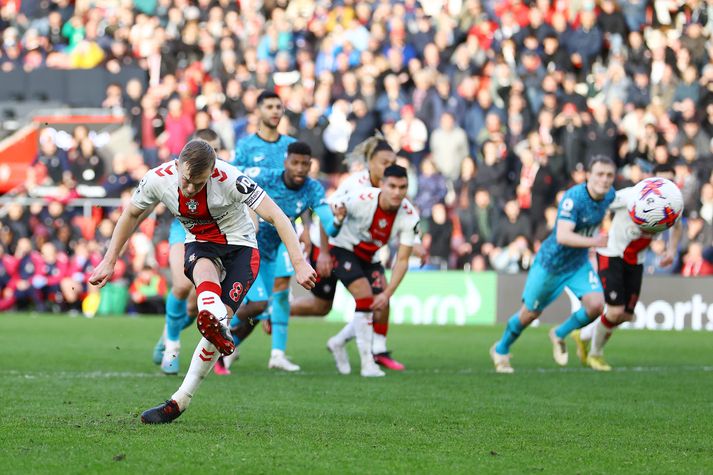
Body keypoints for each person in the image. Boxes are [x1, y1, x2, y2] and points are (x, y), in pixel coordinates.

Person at [89, 139, 316, 424]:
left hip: (241, 248)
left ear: (212, 172)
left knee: (213, 329)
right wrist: (109, 260)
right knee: (205, 283)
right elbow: (131, 213)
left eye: (199, 183)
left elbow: (278, 216)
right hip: (200, 243)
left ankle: (180, 399)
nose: (190, 188)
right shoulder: (158, 179)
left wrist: (299, 263)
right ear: (177, 165)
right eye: (186, 180)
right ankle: (214, 323)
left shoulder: (231, 177)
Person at [215, 141, 341, 374]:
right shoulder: (265, 176)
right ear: (286, 163)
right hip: (248, 246)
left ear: (311, 165)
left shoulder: (312, 188)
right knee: (260, 304)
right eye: (295, 163)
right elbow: (232, 171)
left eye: (305, 164)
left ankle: (273, 354)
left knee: (274, 298)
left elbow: (330, 227)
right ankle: (218, 334)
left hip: (277, 248)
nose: (300, 168)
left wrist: (339, 219)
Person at [289, 135, 408, 370]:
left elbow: (398, 218)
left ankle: (377, 350)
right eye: (384, 162)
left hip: (364, 251)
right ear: (370, 162)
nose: (389, 167)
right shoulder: (356, 186)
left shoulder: (392, 188)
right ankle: (276, 312)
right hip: (335, 246)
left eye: (392, 162)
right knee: (326, 306)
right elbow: (326, 215)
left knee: (378, 299)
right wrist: (323, 252)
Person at [490, 155, 617, 373]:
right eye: (599, 174)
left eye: (609, 175)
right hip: (551, 264)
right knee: (529, 314)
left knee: (597, 305)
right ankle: (501, 349)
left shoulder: (610, 195)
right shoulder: (574, 198)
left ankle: (559, 333)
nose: (604, 180)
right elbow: (562, 236)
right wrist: (595, 242)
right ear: (588, 175)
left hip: (577, 263)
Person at [573, 164, 682, 371]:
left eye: (670, 180)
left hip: (636, 260)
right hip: (612, 254)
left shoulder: (674, 202)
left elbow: (677, 225)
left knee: (626, 315)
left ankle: (584, 334)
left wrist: (672, 250)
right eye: (661, 179)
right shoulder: (630, 196)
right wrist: (590, 234)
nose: (665, 185)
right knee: (614, 311)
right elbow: (599, 204)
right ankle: (595, 355)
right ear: (652, 179)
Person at [231, 90, 303, 370]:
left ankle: (277, 354)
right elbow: (235, 185)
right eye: (269, 106)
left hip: (285, 228)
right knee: (257, 300)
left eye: (278, 106)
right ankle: (226, 342)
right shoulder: (246, 147)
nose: (275, 111)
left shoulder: (292, 146)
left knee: (283, 288)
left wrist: (305, 226)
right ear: (259, 111)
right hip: (256, 230)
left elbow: (303, 187)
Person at [326, 164, 420, 377]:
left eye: (402, 187)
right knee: (366, 298)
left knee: (380, 305)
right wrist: (323, 250)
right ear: (382, 185)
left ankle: (338, 342)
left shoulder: (409, 215)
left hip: (370, 257)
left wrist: (388, 294)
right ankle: (368, 362)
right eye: (392, 186)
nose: (397, 192)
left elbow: (403, 260)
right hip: (342, 247)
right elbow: (328, 212)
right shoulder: (362, 198)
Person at [152, 129, 224, 375]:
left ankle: (166, 334)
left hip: (211, 237)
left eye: (214, 149)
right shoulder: (177, 172)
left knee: (194, 309)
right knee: (181, 286)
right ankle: (172, 347)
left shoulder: (225, 176)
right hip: (182, 231)